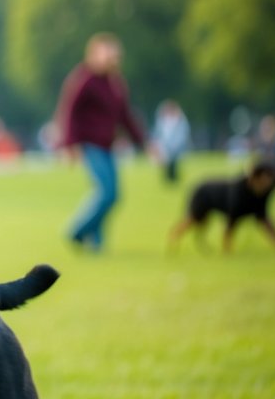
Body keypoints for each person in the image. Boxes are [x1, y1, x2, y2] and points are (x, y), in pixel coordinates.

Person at [53, 32, 149, 251]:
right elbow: (69, 112)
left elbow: (125, 116)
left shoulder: (116, 84)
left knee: (108, 194)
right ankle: (76, 231)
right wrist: (69, 145)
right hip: (89, 145)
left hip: (108, 145)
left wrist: (143, 142)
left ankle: (96, 245)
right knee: (108, 192)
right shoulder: (84, 80)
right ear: (94, 55)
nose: (112, 60)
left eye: (115, 56)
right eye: (108, 55)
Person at [152, 98, 191, 184]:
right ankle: (167, 179)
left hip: (177, 145)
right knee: (166, 163)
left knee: (175, 164)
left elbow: (183, 134)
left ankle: (174, 179)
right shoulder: (162, 120)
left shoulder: (180, 120)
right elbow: (158, 132)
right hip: (166, 145)